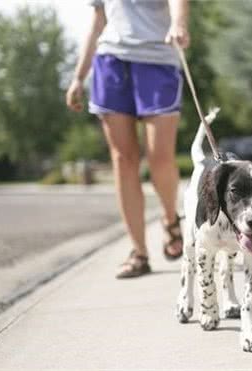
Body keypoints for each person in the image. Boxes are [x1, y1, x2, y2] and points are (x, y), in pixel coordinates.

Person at [66, 0, 189, 278]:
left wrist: (179, 23)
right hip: (110, 61)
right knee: (123, 160)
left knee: (160, 157)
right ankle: (139, 252)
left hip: (157, 60)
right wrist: (78, 77)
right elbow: (98, 21)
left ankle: (170, 219)